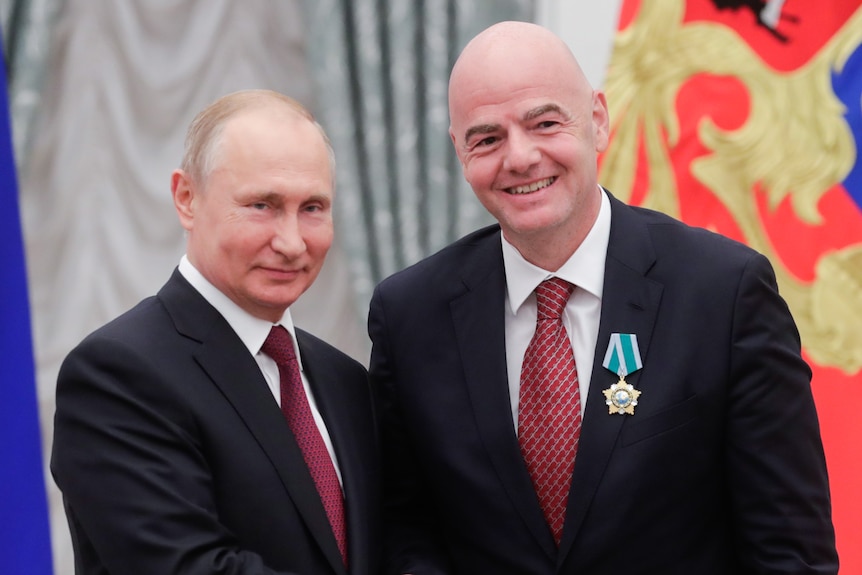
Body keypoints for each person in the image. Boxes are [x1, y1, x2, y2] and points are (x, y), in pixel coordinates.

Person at [368, 21, 837, 574]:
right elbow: (405, 529)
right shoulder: (409, 316)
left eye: (544, 122)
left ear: (597, 120)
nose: (519, 158)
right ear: (458, 150)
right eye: (487, 138)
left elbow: (789, 551)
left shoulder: (724, 294)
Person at [52, 90, 380, 575]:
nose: (291, 242)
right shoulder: (116, 374)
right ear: (187, 198)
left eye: (312, 207)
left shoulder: (346, 381)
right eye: (262, 205)